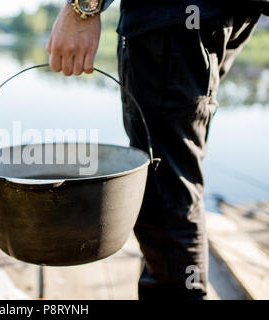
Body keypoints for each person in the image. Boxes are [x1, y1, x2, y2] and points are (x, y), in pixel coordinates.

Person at [47, 0, 267, 299]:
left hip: (170, 14)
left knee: (165, 197)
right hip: (218, 14)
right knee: (174, 177)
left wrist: (83, 8)